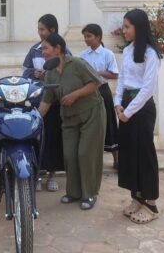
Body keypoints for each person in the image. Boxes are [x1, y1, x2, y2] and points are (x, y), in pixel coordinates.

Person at [38, 33, 105, 210]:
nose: (43, 52)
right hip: (68, 118)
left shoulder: (77, 63)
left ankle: (89, 194)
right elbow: (46, 101)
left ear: (57, 49)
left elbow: (96, 83)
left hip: (91, 114)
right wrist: (34, 120)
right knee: (69, 155)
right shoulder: (49, 73)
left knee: (85, 154)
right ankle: (74, 192)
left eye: (45, 48)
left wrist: (75, 95)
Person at [114, 9, 162, 224]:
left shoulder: (151, 54)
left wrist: (128, 112)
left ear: (139, 28)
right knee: (129, 153)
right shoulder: (128, 50)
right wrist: (117, 103)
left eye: (127, 27)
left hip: (141, 109)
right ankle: (137, 197)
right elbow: (122, 79)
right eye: (123, 26)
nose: (123, 30)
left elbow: (147, 89)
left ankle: (151, 203)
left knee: (144, 154)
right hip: (125, 106)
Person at [22, 14, 66, 192]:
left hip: (55, 103)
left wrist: (46, 75)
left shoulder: (63, 51)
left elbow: (65, 72)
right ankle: (37, 174)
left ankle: (52, 175)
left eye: (42, 29)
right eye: (38, 29)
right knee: (37, 139)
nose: (39, 32)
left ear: (52, 30)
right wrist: (34, 74)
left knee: (53, 139)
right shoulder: (33, 50)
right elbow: (25, 72)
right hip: (37, 101)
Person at [79, 23, 119, 169]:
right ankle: (92, 161)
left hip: (103, 91)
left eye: (89, 36)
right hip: (88, 92)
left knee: (109, 123)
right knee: (90, 124)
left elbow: (115, 74)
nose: (86, 39)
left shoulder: (107, 54)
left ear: (98, 37)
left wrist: (98, 73)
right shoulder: (83, 55)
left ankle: (117, 159)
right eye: (85, 36)